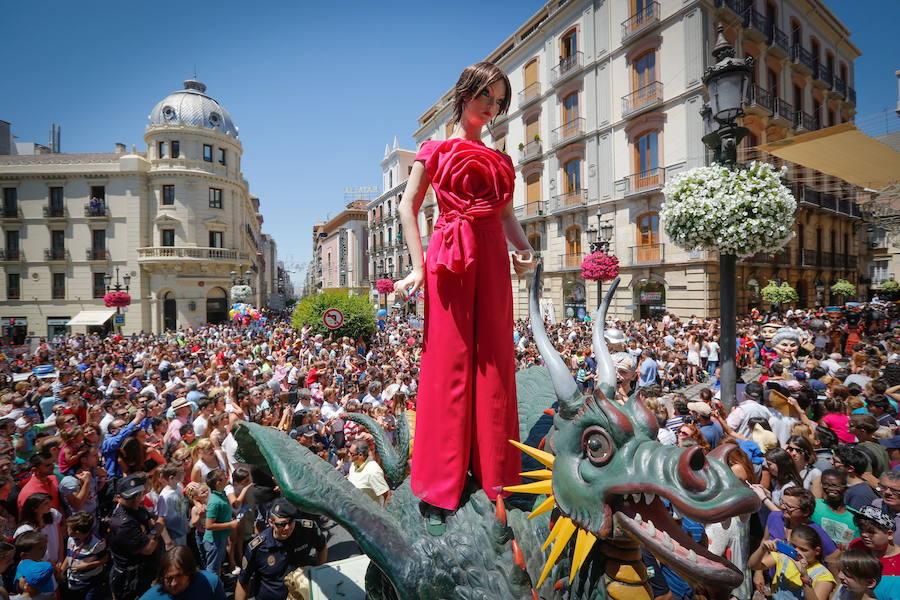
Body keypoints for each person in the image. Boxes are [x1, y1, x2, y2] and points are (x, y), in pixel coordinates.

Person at [393, 61, 535, 533]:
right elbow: (406, 207)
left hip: (493, 257)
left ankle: (496, 475)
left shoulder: (499, 158)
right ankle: (440, 482)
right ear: (464, 94)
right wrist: (416, 266)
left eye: (498, 102)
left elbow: (507, 215)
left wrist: (525, 247)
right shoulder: (433, 149)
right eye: (485, 97)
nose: (491, 108)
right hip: (449, 257)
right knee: (449, 363)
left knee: (495, 360)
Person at [236, 499, 328, 600]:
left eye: (291, 521)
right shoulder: (257, 547)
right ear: (271, 522)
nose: (287, 527)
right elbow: (243, 582)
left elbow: (322, 547)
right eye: (281, 524)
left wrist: (320, 572)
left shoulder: (307, 529)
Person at [107, 474, 163, 600]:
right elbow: (148, 548)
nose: (135, 500)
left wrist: (153, 528)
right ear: (119, 498)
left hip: (143, 573)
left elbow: (151, 521)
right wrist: (155, 531)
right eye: (130, 497)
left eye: (138, 495)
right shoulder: (123, 523)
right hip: (129, 580)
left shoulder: (137, 509)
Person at [748, 524, 835, 599]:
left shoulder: (823, 575)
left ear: (817, 551)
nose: (797, 551)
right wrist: (762, 549)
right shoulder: (784, 557)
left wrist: (804, 576)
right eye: (793, 546)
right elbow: (752, 565)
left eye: (803, 549)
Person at [847, 505, 900, 599]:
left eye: (871, 531)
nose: (863, 534)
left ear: (889, 534)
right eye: (861, 529)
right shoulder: (856, 545)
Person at [139, 546, 225, 600]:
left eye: (179, 576)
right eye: (169, 578)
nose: (173, 584)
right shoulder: (150, 597)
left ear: (189, 572)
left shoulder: (211, 583)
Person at [62, 511, 108, 600]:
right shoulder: (71, 539)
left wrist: (86, 566)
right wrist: (61, 571)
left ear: (77, 532)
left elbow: (105, 559)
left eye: (68, 528)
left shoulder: (97, 543)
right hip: (73, 583)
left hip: (90, 583)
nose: (66, 529)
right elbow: (69, 556)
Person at [811, 469, 860, 547]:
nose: (830, 489)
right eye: (826, 485)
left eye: (835, 485)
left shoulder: (855, 517)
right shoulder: (814, 505)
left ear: (846, 488)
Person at [202, 468, 237, 575]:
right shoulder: (214, 502)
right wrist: (230, 524)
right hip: (214, 542)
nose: (227, 478)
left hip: (220, 539)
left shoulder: (221, 495)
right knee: (212, 570)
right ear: (218, 483)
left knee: (217, 566)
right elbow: (209, 525)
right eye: (224, 477)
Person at [346, 440, 390, 506]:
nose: (348, 455)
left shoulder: (373, 471)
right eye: (349, 452)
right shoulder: (353, 464)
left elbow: (387, 495)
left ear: (361, 455)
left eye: (351, 453)